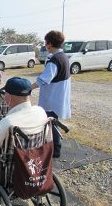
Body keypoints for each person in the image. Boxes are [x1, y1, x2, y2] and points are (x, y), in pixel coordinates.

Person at [31, 30, 71, 158]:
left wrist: (28, 87)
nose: (45, 45)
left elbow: (45, 78)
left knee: (50, 122)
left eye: (45, 43)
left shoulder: (54, 60)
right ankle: (54, 148)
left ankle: (55, 150)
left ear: (49, 44)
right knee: (53, 121)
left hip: (53, 96)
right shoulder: (63, 56)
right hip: (59, 94)